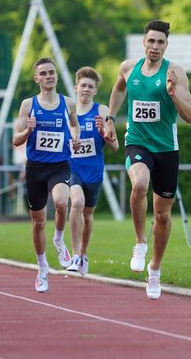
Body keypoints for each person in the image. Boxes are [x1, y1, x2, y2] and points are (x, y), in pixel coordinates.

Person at [104, 20, 191, 299]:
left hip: (167, 149)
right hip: (138, 143)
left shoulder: (175, 73)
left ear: (166, 45)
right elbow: (120, 88)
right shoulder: (128, 68)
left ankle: (154, 269)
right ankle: (140, 242)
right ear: (143, 43)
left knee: (162, 215)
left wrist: (173, 94)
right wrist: (110, 117)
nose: (155, 47)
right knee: (140, 184)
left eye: (160, 42)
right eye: (151, 41)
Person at [12, 57, 81, 293]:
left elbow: (74, 124)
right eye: (44, 73)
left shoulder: (68, 103)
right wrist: (28, 130)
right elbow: (16, 140)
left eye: (52, 72)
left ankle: (59, 240)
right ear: (36, 79)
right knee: (38, 222)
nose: (49, 76)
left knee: (62, 202)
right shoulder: (27, 105)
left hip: (59, 165)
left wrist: (76, 138)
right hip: (35, 169)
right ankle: (42, 267)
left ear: (57, 76)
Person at [66, 67, 119, 276]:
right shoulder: (68, 111)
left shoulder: (102, 111)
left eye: (90, 86)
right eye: (83, 86)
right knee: (76, 203)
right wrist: (71, 143)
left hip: (94, 171)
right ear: (76, 88)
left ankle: (84, 254)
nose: (86, 90)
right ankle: (75, 254)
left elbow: (115, 147)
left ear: (95, 90)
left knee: (88, 215)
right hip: (72, 168)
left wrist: (104, 134)